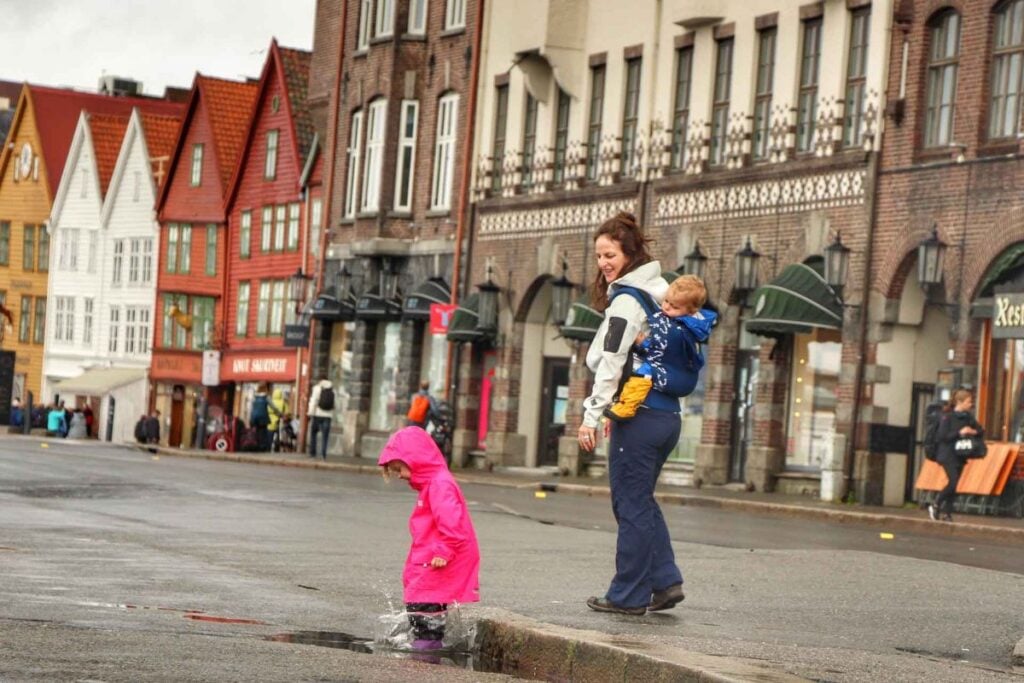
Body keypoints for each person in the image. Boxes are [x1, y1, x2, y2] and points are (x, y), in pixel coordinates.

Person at [577, 211, 686, 616]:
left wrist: (591, 415)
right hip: (665, 415)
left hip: (638, 417)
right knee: (640, 501)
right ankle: (665, 581)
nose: (603, 263)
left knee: (631, 504)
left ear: (630, 254)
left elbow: (611, 361)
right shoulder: (659, 293)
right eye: (599, 256)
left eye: (610, 254)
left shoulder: (627, 300)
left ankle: (627, 595)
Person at [377, 427, 480, 648]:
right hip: (430, 560)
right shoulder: (432, 485)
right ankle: (425, 649)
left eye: (400, 468)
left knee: (424, 610)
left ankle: (424, 656)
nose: (401, 475)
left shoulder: (439, 485)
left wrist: (445, 550)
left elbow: (452, 521)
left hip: (437, 561)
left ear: (415, 459)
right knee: (421, 610)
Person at [605, 274, 717, 421]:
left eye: (674, 306)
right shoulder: (693, 325)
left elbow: (661, 350)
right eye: (666, 301)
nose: (666, 307)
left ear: (691, 311)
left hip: (669, 376)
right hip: (681, 376)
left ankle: (627, 406)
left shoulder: (674, 329)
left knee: (644, 372)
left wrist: (643, 343)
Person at [929, 389, 984, 523]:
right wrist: (959, 432)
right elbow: (942, 436)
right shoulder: (947, 417)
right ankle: (936, 503)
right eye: (968, 402)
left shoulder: (968, 417)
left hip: (961, 453)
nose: (971, 404)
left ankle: (947, 513)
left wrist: (973, 431)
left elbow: (981, 430)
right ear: (960, 402)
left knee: (955, 484)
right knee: (953, 481)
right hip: (947, 454)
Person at [307, 378, 335, 460]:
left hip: (317, 415)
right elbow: (334, 404)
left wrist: (310, 413)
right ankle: (323, 455)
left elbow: (313, 401)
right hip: (328, 416)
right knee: (325, 436)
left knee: (313, 434)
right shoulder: (332, 389)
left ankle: (313, 453)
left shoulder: (317, 388)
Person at [250, 385, 271, 452]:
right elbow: (273, 406)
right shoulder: (266, 398)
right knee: (263, 432)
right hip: (263, 418)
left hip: (254, 417)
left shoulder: (255, 398)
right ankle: (262, 446)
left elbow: (251, 408)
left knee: (256, 432)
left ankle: (255, 445)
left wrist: (251, 417)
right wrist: (280, 414)